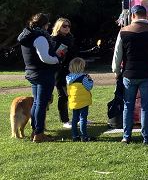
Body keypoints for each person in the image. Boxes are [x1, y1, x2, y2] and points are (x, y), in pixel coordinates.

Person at [111, 5, 148, 144]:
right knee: (145, 106)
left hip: (129, 74)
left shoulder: (123, 31)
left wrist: (116, 71)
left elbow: (117, 55)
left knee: (128, 105)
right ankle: (147, 137)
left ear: (133, 16)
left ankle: (126, 136)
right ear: (145, 15)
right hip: (147, 74)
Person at [17, 13, 60, 142]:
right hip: (42, 73)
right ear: (45, 24)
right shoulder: (40, 37)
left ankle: (35, 131)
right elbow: (45, 58)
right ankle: (39, 133)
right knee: (41, 104)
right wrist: (57, 59)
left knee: (36, 102)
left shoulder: (27, 35)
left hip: (31, 71)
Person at [51, 17, 77, 129]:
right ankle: (65, 120)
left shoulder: (70, 38)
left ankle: (78, 118)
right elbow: (55, 55)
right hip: (59, 71)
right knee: (63, 95)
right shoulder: (54, 39)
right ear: (58, 27)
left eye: (68, 26)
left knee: (75, 93)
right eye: (64, 26)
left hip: (71, 70)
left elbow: (74, 53)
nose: (67, 28)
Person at [66, 57, 94, 142]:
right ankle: (84, 136)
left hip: (74, 101)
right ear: (81, 67)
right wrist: (90, 80)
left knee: (74, 119)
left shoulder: (68, 78)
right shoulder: (83, 77)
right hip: (83, 102)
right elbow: (89, 87)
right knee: (83, 118)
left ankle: (75, 136)